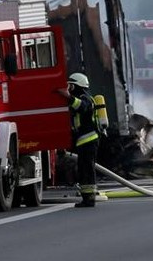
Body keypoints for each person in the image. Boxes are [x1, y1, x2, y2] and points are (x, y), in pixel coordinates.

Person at [58, 73, 101, 208]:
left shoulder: (86, 99)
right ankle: (87, 198)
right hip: (83, 141)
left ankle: (89, 199)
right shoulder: (80, 98)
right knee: (83, 170)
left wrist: (68, 97)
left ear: (77, 86)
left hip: (89, 140)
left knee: (87, 170)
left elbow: (81, 107)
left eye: (70, 85)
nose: (68, 88)